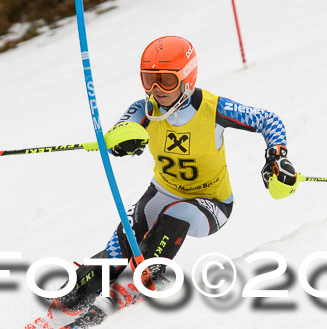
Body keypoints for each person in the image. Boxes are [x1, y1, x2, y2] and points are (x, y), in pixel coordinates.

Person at [59, 35, 298, 310]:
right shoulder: (143, 109)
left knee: (175, 215)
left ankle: (143, 280)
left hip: (211, 204)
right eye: (150, 79)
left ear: (187, 79)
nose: (157, 89)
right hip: (162, 192)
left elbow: (269, 120)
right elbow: (117, 135)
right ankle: (71, 298)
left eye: (167, 80)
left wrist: (276, 157)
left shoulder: (214, 108)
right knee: (122, 243)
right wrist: (121, 142)